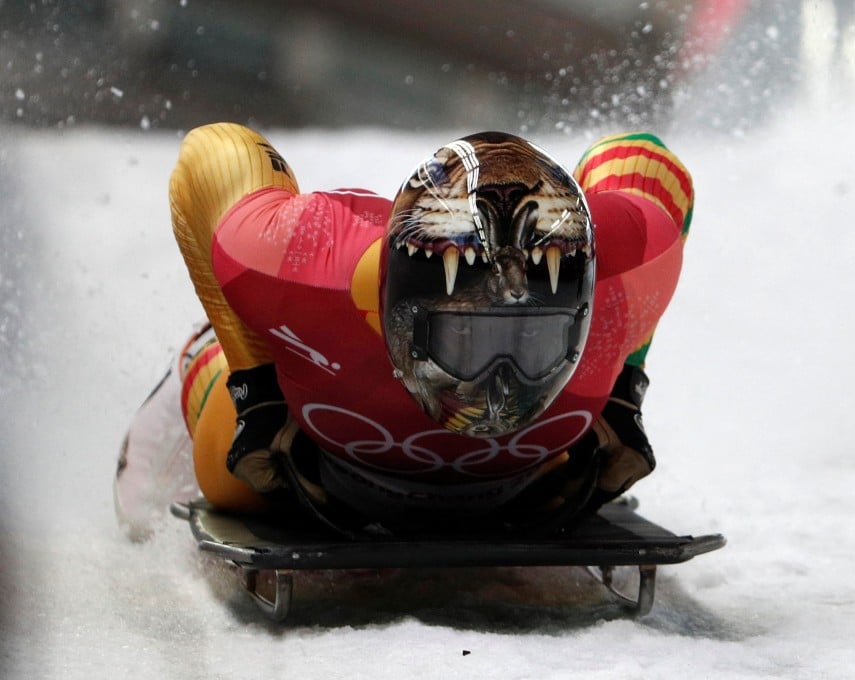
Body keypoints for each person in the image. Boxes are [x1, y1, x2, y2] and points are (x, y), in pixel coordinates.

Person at [115, 123, 694, 538]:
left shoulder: (623, 266)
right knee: (219, 477)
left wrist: (625, 387)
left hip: (355, 450)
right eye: (465, 341)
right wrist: (254, 384)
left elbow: (647, 157)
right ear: (396, 312)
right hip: (318, 457)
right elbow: (209, 155)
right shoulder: (299, 259)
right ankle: (206, 356)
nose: (498, 388)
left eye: (531, 341)